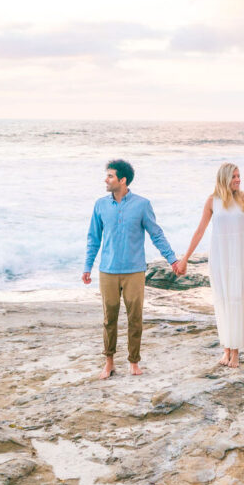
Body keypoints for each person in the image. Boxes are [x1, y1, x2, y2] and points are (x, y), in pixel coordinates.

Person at [82, 159, 181, 379]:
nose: (105, 180)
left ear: (122, 180)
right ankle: (109, 362)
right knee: (109, 319)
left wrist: (172, 260)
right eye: (106, 175)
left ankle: (133, 361)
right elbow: (93, 238)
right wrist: (87, 266)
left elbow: (156, 234)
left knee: (135, 318)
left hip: (134, 271)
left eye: (110, 176)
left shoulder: (142, 204)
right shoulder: (100, 205)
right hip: (107, 270)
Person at [176, 163, 244, 368]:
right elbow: (200, 231)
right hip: (219, 259)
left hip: (238, 259)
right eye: (234, 176)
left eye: (239, 176)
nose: (238, 179)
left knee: (237, 300)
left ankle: (235, 352)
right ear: (224, 178)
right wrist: (184, 259)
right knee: (223, 301)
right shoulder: (212, 201)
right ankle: (226, 348)